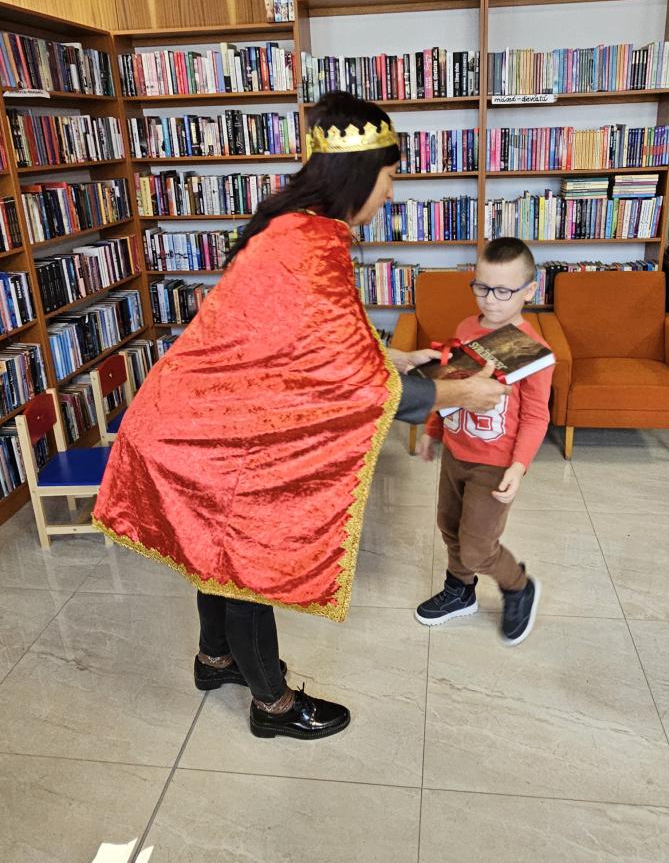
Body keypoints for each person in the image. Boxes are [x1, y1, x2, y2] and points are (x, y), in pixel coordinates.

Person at [93, 92, 508, 741]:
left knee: (214, 550)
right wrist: (463, 395)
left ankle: (215, 660)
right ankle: (273, 705)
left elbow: (305, 346)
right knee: (245, 563)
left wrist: (394, 357)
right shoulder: (311, 246)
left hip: (193, 422)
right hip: (210, 437)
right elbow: (356, 387)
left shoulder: (296, 229)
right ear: (360, 174)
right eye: (390, 177)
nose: (392, 193)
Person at [414, 237, 554, 646]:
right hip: (457, 452)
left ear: (529, 290)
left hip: (495, 463)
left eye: (503, 291)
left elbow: (536, 415)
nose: (490, 300)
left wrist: (519, 466)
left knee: (477, 546)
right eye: (481, 287)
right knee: (449, 525)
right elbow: (452, 385)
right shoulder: (467, 328)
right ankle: (460, 590)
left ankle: (518, 586)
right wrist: (433, 431)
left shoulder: (534, 350)